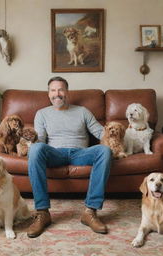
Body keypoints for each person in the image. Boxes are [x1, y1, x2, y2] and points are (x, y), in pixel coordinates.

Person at [27, 76, 112, 238]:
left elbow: (102, 133)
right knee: (36, 149)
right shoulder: (42, 114)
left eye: (60, 89)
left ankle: (90, 212)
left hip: (80, 153)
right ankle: (43, 212)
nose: (57, 94)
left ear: (67, 92)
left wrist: (122, 135)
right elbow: (41, 142)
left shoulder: (82, 111)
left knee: (104, 151)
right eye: (53, 90)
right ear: (48, 94)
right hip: (55, 153)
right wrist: (32, 140)